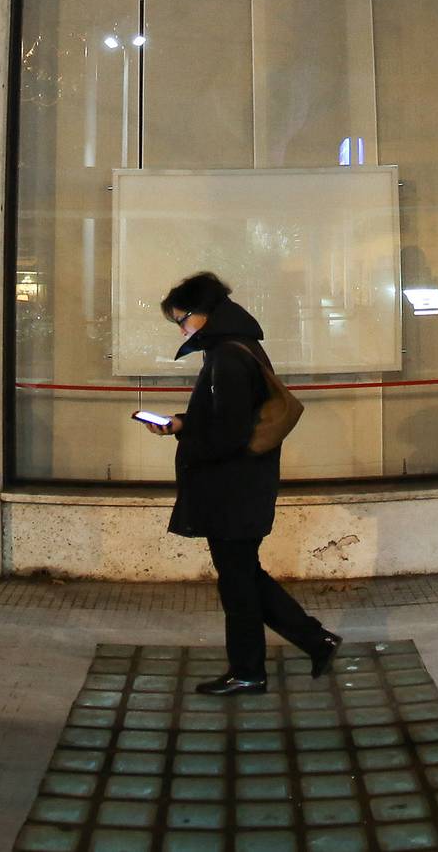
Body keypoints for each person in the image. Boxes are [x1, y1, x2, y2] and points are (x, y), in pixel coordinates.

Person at [142, 270, 341, 695]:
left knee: (237, 584)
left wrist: (187, 439)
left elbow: (227, 434)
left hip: (232, 490)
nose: (181, 328)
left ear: (205, 312)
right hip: (241, 487)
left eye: (182, 319)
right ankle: (314, 640)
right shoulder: (237, 347)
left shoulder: (227, 357)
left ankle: (249, 671)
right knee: (244, 575)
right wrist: (182, 422)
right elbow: (231, 419)